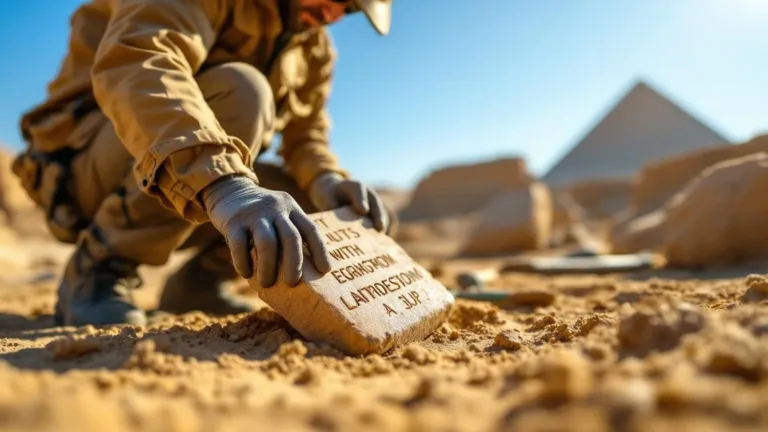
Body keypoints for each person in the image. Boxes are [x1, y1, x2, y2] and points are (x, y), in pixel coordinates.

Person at [13, 0, 394, 327]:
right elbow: (140, 63)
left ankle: (199, 282)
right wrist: (227, 185)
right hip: (84, 171)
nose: (334, 14)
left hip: (181, 188)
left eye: (350, 9)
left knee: (307, 202)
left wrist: (327, 179)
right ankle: (97, 270)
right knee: (244, 91)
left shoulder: (314, 48)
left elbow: (306, 136)